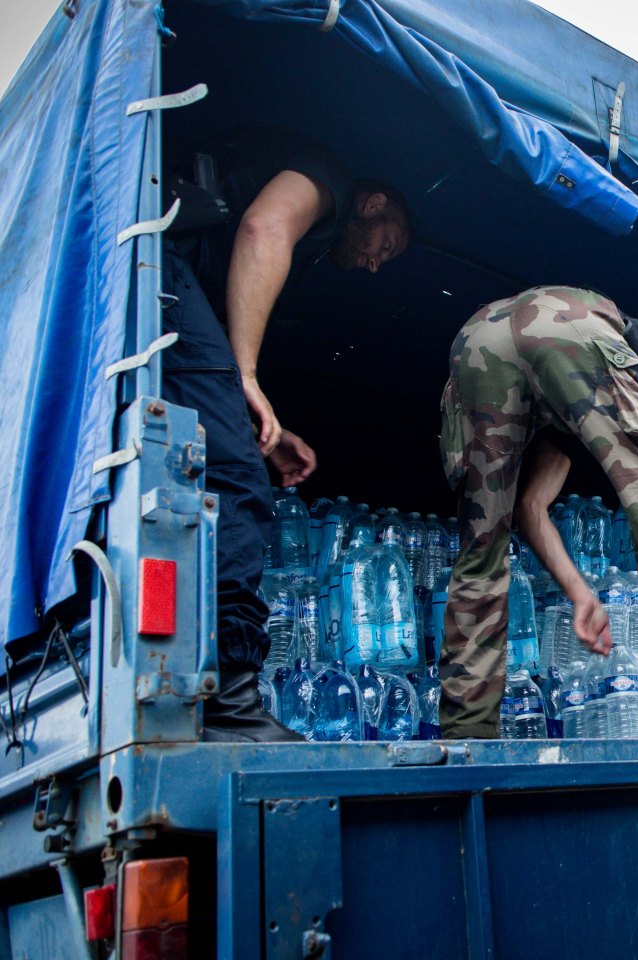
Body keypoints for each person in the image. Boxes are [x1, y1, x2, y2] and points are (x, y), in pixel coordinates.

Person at [162, 129, 412, 740]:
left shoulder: (306, 256)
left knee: (204, 472)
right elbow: (262, 228)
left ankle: (192, 684)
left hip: (165, 286)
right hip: (158, 264)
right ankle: (226, 700)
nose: (378, 260)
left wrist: (263, 427)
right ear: (372, 203)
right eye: (388, 242)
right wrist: (244, 374)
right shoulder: (329, 174)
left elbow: (210, 361)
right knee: (238, 485)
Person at [438, 285, 638, 739]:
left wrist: (581, 595)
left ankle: (467, 727)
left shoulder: (560, 409)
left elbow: (531, 508)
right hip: (572, 321)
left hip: (478, 337)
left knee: (482, 541)